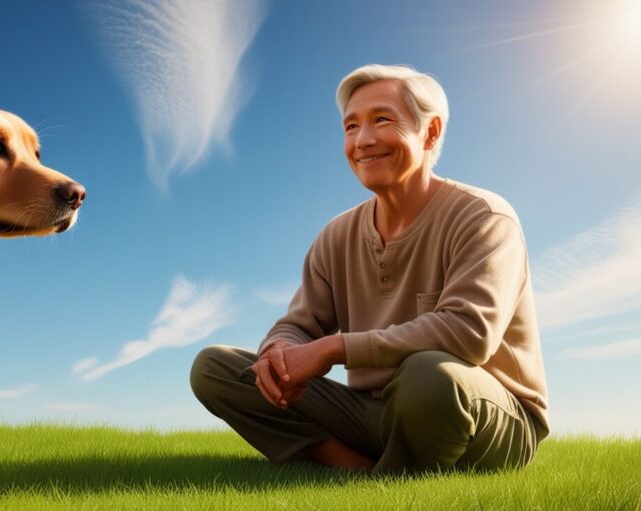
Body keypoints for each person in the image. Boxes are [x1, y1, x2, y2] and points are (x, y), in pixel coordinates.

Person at [190, 64, 548, 473]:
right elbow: (298, 324)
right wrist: (278, 355)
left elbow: (468, 333)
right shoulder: (337, 235)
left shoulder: (484, 218)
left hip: (480, 416)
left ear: (430, 132)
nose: (363, 140)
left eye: (381, 120)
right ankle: (353, 469)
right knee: (216, 368)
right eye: (350, 127)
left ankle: (390, 480)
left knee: (428, 376)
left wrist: (334, 348)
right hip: (372, 412)